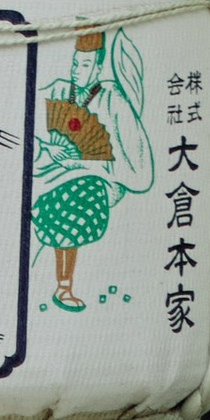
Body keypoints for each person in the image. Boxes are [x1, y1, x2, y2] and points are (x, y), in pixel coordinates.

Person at [31, 26, 153, 313]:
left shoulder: (113, 99)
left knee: (72, 198)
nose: (77, 71)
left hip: (98, 180)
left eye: (85, 65)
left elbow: (134, 160)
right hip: (51, 171)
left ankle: (64, 285)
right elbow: (21, 122)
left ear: (98, 66)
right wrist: (48, 149)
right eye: (75, 63)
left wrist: (83, 163)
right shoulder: (58, 90)